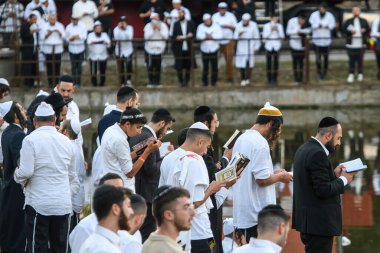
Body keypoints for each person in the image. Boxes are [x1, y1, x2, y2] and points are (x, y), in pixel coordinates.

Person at [14, 102, 79, 253]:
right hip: (62, 205)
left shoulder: (30, 140)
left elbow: (25, 172)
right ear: (54, 120)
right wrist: (65, 193)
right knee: (60, 248)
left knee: (37, 248)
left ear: (34, 121)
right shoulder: (67, 142)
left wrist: (18, 177)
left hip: (38, 204)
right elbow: (73, 177)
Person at [292, 117, 358, 253]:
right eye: (338, 138)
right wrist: (344, 180)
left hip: (309, 223)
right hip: (319, 225)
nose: (339, 143)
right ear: (328, 135)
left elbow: (312, 182)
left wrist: (333, 175)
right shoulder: (318, 154)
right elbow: (323, 190)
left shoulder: (304, 148)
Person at [160, 122, 227, 253]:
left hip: (175, 231)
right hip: (198, 232)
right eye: (207, 147)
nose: (206, 152)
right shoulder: (195, 160)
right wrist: (212, 188)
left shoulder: (168, 158)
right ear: (200, 142)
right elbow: (194, 202)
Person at [232, 102, 292, 242]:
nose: (275, 135)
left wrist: (273, 172)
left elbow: (248, 172)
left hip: (241, 215)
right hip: (257, 217)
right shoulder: (260, 143)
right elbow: (262, 180)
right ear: (270, 123)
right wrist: (281, 176)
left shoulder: (242, 138)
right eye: (277, 130)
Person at [129, 108, 175, 242]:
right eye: (167, 128)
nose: (166, 132)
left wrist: (163, 156)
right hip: (147, 194)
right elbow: (150, 170)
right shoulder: (148, 137)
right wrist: (168, 159)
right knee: (146, 235)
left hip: (139, 190)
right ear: (161, 123)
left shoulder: (140, 132)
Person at [193, 105, 234, 253]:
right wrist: (225, 158)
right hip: (205, 208)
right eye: (215, 122)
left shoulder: (201, 145)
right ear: (206, 123)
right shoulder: (200, 147)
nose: (216, 125)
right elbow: (214, 174)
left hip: (207, 204)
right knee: (213, 244)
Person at [101, 107, 161, 191]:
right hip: (122, 189)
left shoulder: (110, 130)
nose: (140, 131)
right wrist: (147, 151)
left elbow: (124, 157)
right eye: (138, 127)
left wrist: (145, 146)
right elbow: (130, 173)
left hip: (112, 184)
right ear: (127, 124)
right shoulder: (119, 140)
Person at [69, 173, 125, 253]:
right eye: (111, 191)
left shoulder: (126, 224)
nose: (116, 195)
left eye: (120, 191)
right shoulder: (85, 227)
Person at [0, 101, 27, 253]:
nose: (25, 112)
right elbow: (21, 164)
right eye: (22, 110)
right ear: (16, 115)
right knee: (17, 230)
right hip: (16, 189)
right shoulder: (17, 135)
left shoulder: (8, 131)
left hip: (9, 187)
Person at [79, 185, 134, 253]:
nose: (132, 212)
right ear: (115, 209)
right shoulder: (102, 249)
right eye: (128, 206)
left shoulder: (104, 243)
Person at [141, 185, 195, 253]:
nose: (193, 213)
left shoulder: (150, 242)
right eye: (186, 207)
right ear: (168, 215)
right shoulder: (170, 250)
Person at [60, 119, 86, 232]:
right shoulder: (75, 147)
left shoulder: (67, 148)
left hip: (71, 200)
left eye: (61, 128)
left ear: (65, 132)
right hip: (75, 197)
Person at [342, 6, 370, 83]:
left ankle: (360, 74)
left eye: (357, 10)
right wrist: (350, 32)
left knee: (360, 60)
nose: (356, 12)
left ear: (359, 11)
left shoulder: (364, 21)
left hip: (361, 44)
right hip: (351, 44)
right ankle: (351, 74)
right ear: (352, 12)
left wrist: (364, 30)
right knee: (351, 60)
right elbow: (343, 31)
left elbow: (369, 31)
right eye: (354, 10)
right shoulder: (348, 21)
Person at [309, 3, 336, 80]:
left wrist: (327, 26)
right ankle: (319, 72)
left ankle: (325, 73)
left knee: (326, 58)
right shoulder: (314, 15)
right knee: (318, 58)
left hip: (326, 40)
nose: (321, 10)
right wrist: (318, 25)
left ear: (325, 9)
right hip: (317, 40)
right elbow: (311, 24)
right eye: (320, 9)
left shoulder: (330, 15)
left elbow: (332, 25)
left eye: (323, 9)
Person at [212, 2, 237, 83]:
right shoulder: (214, 16)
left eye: (224, 8)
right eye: (221, 8)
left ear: (226, 9)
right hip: (217, 41)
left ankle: (230, 77)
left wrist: (227, 26)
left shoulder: (231, 16)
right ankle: (215, 76)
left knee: (229, 59)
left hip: (229, 40)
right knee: (215, 59)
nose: (222, 10)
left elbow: (236, 27)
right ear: (218, 9)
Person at [234, 13, 260, 86]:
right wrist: (239, 35)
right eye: (243, 21)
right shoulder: (238, 25)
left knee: (250, 64)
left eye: (246, 21)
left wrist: (256, 46)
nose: (244, 22)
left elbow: (256, 36)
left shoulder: (254, 25)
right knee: (241, 64)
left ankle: (248, 78)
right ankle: (242, 79)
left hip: (250, 46)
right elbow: (235, 37)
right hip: (241, 47)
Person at [196, 13, 223, 86]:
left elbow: (220, 36)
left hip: (214, 48)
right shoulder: (200, 27)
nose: (207, 22)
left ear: (210, 19)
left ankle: (214, 82)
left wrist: (212, 36)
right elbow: (198, 36)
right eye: (205, 21)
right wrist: (205, 37)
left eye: (208, 20)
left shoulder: (216, 26)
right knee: (205, 67)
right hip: (204, 49)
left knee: (214, 66)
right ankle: (205, 82)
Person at [144, 12, 169, 87]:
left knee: (158, 66)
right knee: (150, 66)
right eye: (153, 18)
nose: (155, 20)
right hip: (150, 49)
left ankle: (157, 82)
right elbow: (146, 37)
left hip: (160, 49)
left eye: (156, 18)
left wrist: (159, 29)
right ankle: (151, 82)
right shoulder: (148, 26)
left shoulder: (163, 25)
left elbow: (166, 37)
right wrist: (153, 29)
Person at [171, 8, 195, 87]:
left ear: (184, 14)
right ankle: (181, 81)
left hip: (188, 48)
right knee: (179, 66)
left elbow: (194, 33)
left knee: (188, 66)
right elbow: (173, 36)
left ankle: (187, 81)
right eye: (179, 14)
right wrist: (176, 37)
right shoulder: (176, 24)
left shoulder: (191, 23)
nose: (180, 15)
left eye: (181, 13)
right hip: (179, 48)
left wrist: (191, 35)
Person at [40, 14, 65, 88]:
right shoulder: (44, 26)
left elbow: (64, 36)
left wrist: (58, 32)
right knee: (49, 66)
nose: (53, 21)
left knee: (57, 66)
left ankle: (56, 83)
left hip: (58, 49)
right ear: (49, 19)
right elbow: (42, 37)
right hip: (48, 49)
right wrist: (49, 33)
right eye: (51, 19)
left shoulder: (60, 25)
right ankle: (50, 83)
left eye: (54, 19)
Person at [286, 14, 310, 84]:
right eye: (301, 21)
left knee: (301, 62)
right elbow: (288, 32)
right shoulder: (291, 21)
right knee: (295, 62)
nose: (302, 23)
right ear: (299, 19)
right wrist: (296, 31)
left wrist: (302, 31)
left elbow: (309, 30)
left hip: (302, 46)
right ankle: (296, 78)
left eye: (303, 22)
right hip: (294, 45)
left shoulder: (305, 23)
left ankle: (301, 78)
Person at [87, 21, 111, 86]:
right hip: (93, 56)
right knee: (93, 71)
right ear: (94, 29)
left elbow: (109, 44)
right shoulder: (90, 35)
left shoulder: (105, 35)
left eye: (99, 28)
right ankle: (94, 84)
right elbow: (89, 43)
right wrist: (98, 42)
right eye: (96, 28)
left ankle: (102, 84)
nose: (98, 30)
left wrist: (104, 42)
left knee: (102, 71)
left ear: (101, 29)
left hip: (103, 56)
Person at [65, 16, 87, 87]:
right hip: (72, 49)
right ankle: (74, 83)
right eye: (73, 20)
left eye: (76, 19)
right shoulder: (68, 27)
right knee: (73, 67)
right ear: (71, 20)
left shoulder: (83, 26)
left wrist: (75, 37)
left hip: (81, 49)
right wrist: (73, 38)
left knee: (79, 67)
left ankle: (79, 83)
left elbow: (84, 37)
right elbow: (66, 38)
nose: (75, 21)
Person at [262, 13, 284, 85]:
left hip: (277, 46)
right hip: (269, 46)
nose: (275, 19)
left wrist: (277, 31)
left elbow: (282, 37)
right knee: (268, 63)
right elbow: (264, 37)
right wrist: (270, 30)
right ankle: (269, 78)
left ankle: (275, 78)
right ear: (271, 18)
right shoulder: (266, 26)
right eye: (274, 18)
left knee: (276, 63)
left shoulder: (280, 26)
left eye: (276, 18)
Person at [114, 16, 134, 86]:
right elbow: (117, 38)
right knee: (120, 66)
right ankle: (122, 82)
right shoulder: (116, 29)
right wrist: (120, 29)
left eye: (124, 22)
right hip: (119, 50)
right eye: (121, 22)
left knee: (129, 65)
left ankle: (128, 80)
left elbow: (129, 37)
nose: (122, 23)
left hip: (128, 49)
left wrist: (124, 29)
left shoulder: (130, 28)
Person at [20, 13, 38, 88]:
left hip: (34, 49)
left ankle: (32, 83)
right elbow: (22, 36)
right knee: (27, 66)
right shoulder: (25, 26)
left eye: (36, 19)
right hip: (27, 50)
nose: (35, 20)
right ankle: (26, 84)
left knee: (33, 66)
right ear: (29, 19)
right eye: (34, 19)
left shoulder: (35, 26)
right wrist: (30, 33)